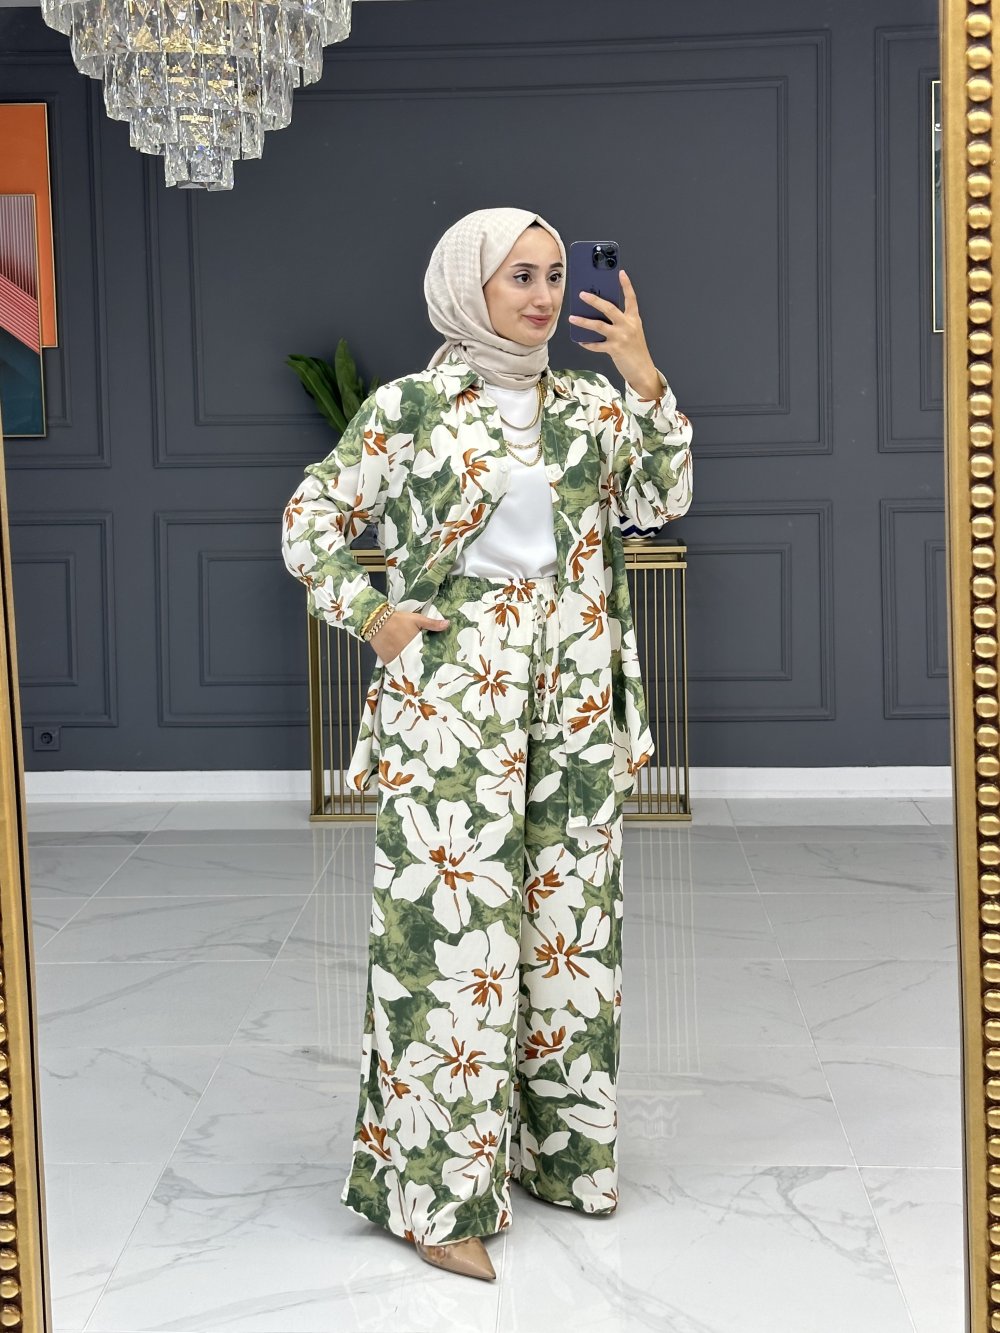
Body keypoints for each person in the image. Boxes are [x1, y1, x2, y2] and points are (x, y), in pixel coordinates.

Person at [281, 207, 693, 1282]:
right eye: (521, 276)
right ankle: (436, 1197)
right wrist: (371, 615)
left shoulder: (592, 405)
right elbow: (308, 521)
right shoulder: (408, 408)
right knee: (451, 950)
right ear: (469, 285)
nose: (544, 295)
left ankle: (563, 1160)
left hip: (575, 701)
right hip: (453, 704)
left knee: (570, 941)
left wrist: (644, 376)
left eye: (555, 274)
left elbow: (660, 501)